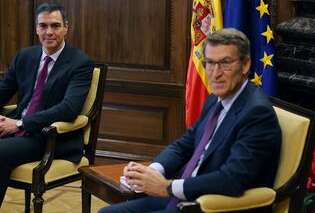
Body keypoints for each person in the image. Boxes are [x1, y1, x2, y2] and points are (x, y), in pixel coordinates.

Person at [99, 28, 281, 213]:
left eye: (225, 63)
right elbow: (185, 144)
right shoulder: (214, 100)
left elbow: (232, 179)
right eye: (210, 63)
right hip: (185, 198)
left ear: (245, 65)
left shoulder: (257, 114)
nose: (215, 73)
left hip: (214, 206)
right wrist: (154, 171)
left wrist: (168, 187)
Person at [0, 2, 94, 213]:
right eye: (43, 26)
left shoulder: (80, 63)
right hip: (12, 125)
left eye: (55, 25)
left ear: (66, 27)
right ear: (36, 28)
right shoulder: (26, 56)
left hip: (47, 135)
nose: (49, 31)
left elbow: (68, 108)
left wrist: (20, 123)